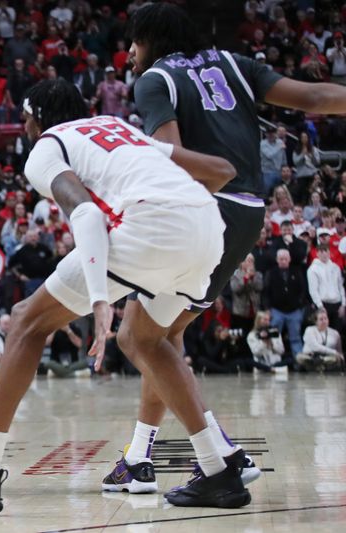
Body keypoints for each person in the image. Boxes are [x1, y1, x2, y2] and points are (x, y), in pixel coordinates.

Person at [0, 79, 245, 514]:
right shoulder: (115, 125)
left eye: (26, 117)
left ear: (33, 117)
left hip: (150, 225)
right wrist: (186, 218)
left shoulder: (48, 145)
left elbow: (85, 212)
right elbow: (221, 170)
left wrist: (101, 298)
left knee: (26, 320)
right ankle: (218, 471)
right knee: (147, 341)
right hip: (207, 231)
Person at [106, 1, 346, 501]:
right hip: (247, 213)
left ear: (151, 38)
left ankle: (223, 457)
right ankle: (138, 458)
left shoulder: (154, 80)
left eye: (132, 41)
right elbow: (319, 96)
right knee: (162, 337)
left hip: (201, 209)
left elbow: (177, 163)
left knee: (135, 337)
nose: (128, 53)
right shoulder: (233, 62)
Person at [306, 244, 346, 331]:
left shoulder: (336, 268)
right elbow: (313, 290)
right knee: (323, 331)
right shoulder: (312, 269)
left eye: (326, 251)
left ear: (329, 253)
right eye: (321, 251)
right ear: (317, 253)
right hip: (323, 304)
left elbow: (340, 286)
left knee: (337, 332)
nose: (324, 254)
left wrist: (343, 304)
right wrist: (320, 306)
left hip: (337, 304)